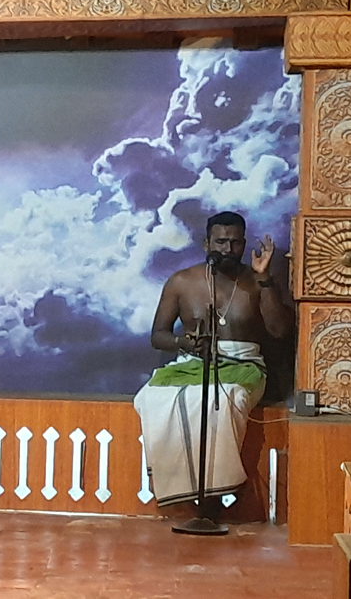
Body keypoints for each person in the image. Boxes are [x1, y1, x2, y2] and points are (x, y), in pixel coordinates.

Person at [134, 211, 294, 522]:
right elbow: (158, 336)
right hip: (194, 362)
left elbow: (278, 331)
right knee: (150, 397)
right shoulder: (182, 281)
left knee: (223, 399)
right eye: (220, 242)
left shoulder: (255, 280)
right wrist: (185, 343)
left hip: (244, 364)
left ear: (243, 244)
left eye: (235, 243)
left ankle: (216, 493)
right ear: (207, 243)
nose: (227, 249)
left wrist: (264, 279)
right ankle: (182, 489)